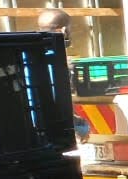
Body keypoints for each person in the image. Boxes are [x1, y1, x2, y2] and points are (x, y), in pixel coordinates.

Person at [37, 8, 91, 143]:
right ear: (63, 30)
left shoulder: (33, 54)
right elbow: (60, 103)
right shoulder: (59, 63)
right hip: (51, 132)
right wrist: (79, 127)